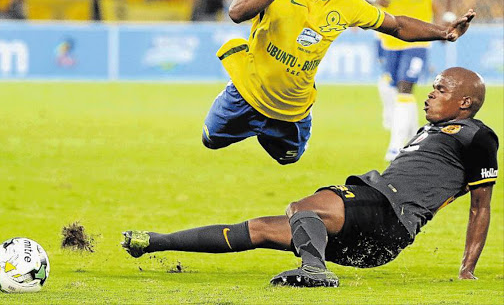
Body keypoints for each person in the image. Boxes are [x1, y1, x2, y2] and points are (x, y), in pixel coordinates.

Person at [123, 67, 498, 287]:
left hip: (389, 211)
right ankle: (156, 242)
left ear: (465, 102)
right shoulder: (432, 131)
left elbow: (481, 207)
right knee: (262, 229)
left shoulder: (477, 135)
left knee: (303, 208)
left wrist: (467, 269)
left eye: (440, 90)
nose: (430, 95)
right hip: (375, 241)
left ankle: (314, 270)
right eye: (432, 88)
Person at [201, 0, 475, 165]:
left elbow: (398, 25)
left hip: (292, 108)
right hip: (246, 92)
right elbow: (236, 12)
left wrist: (443, 31)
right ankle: (251, 123)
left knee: (289, 158)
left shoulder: (347, 4)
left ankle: (266, 131)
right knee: (210, 141)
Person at [362, 0, 456, 161]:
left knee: (405, 87)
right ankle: (413, 133)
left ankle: (395, 147)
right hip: (389, 37)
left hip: (419, 39)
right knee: (392, 87)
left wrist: (446, 18)